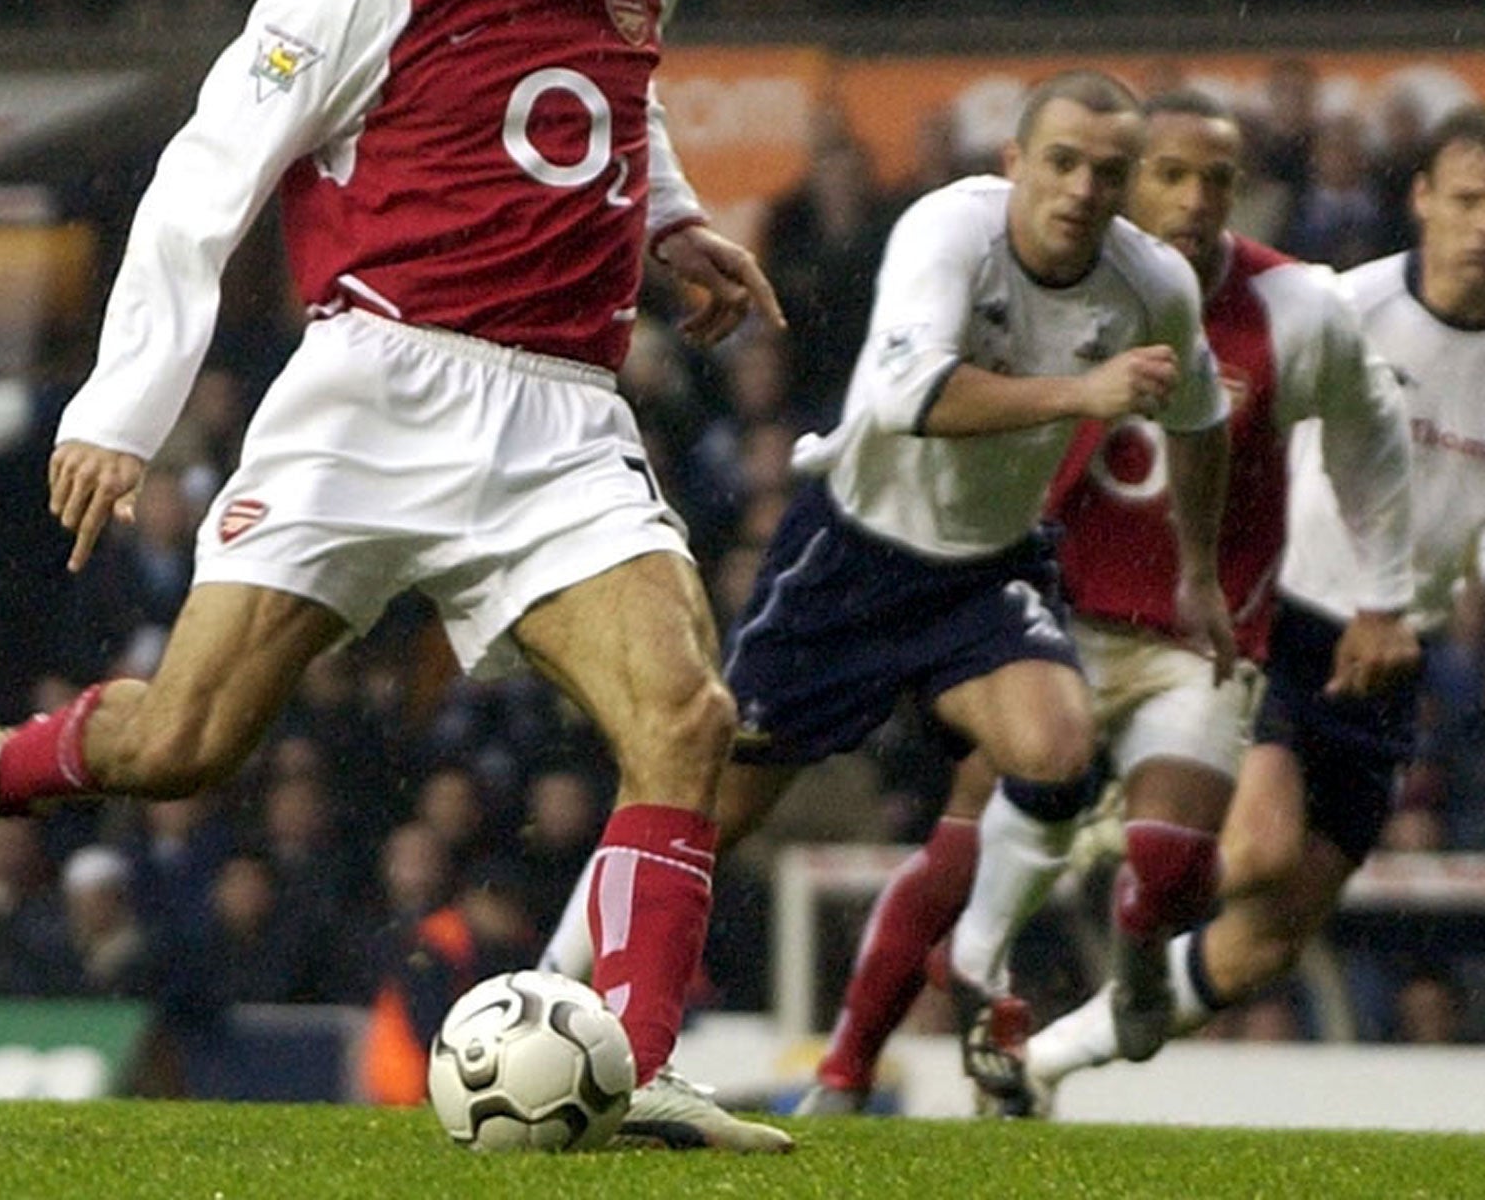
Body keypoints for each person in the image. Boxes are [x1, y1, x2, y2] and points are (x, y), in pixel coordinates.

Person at [0, 0, 790, 1152]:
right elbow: (200, 189)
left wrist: (674, 224)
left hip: (563, 419)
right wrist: (122, 410)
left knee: (687, 721)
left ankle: (636, 1065)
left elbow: (613, 108)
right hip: (372, 400)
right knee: (182, 747)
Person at [538, 69, 1233, 1102]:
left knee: (1055, 750)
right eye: (1060, 162)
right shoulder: (946, 232)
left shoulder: (1152, 288)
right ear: (1013, 165)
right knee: (705, 809)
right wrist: (1079, 391)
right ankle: (552, 988)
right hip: (848, 560)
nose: (1081, 188)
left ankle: (977, 959)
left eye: (1107, 171)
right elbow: (912, 394)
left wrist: (1200, 571)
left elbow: (1201, 420)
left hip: (985, 568)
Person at [794, 89, 1414, 1114]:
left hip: (1191, 637)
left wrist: (1383, 594)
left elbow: (1371, 443)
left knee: (1169, 869)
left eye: (1215, 179)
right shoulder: (1067, 278)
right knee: (958, 846)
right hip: (1056, 613)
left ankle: (1126, 974)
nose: (1192, 199)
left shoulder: (1297, 309)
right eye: (1165, 175)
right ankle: (844, 1070)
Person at [1021, 103, 1485, 1109]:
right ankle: (1126, 826)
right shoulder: (1339, 306)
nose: (1481, 225)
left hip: (1389, 656)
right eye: (1465, 199)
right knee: (1258, 851)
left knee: (1267, 941)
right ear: (1420, 202)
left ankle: (1049, 1057)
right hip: (1289, 617)